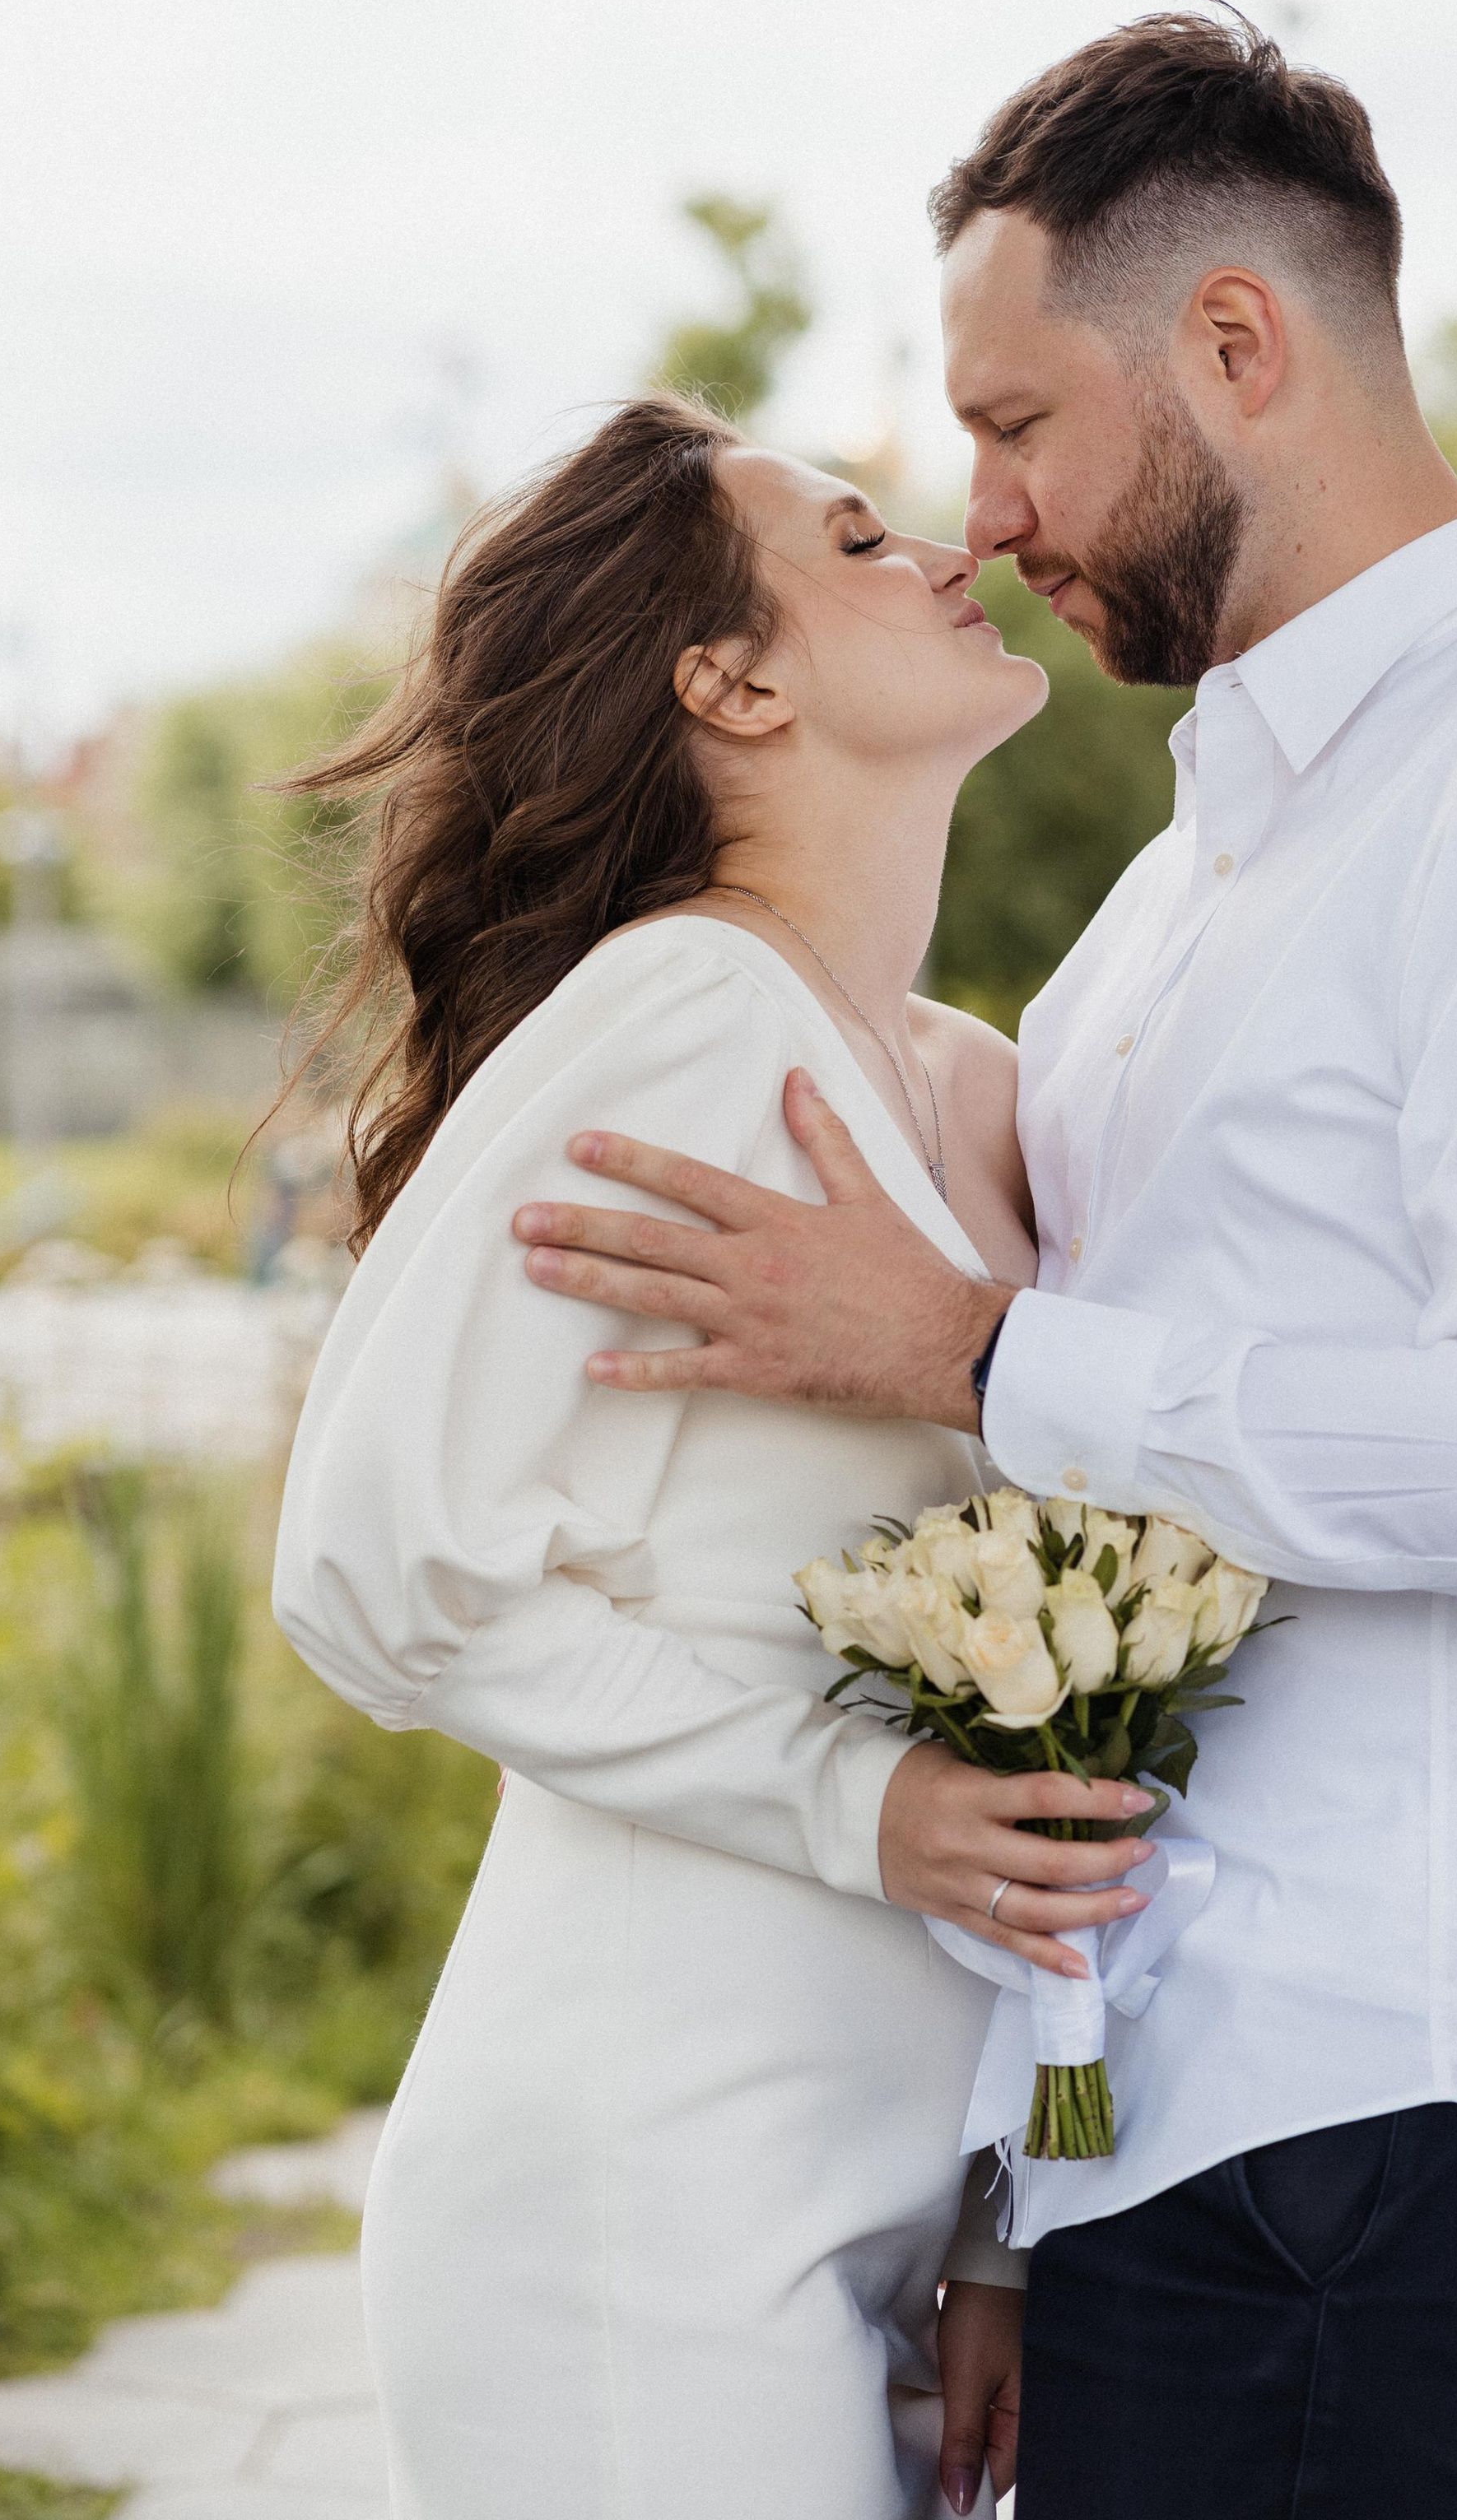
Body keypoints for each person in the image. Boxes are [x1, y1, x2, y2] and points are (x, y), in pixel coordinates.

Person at [513, 10, 1457, 2517]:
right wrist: (1034, 2175)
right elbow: (1103, 1619)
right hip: (1196, 2129)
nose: (986, 513)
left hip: (1406, 2101)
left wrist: (981, 1350)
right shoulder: (1164, 908)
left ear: (1237, 346)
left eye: (1017, 423)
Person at [271, 393, 1158, 2520]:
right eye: (857, 540)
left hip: (855, 2220)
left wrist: (997, 2226)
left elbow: (1050, 1714)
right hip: (627, 2210)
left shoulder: (965, 1088)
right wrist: (861, 1808)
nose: (944, 547)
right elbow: (374, 1561)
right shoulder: (683, 1013)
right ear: (729, 682)